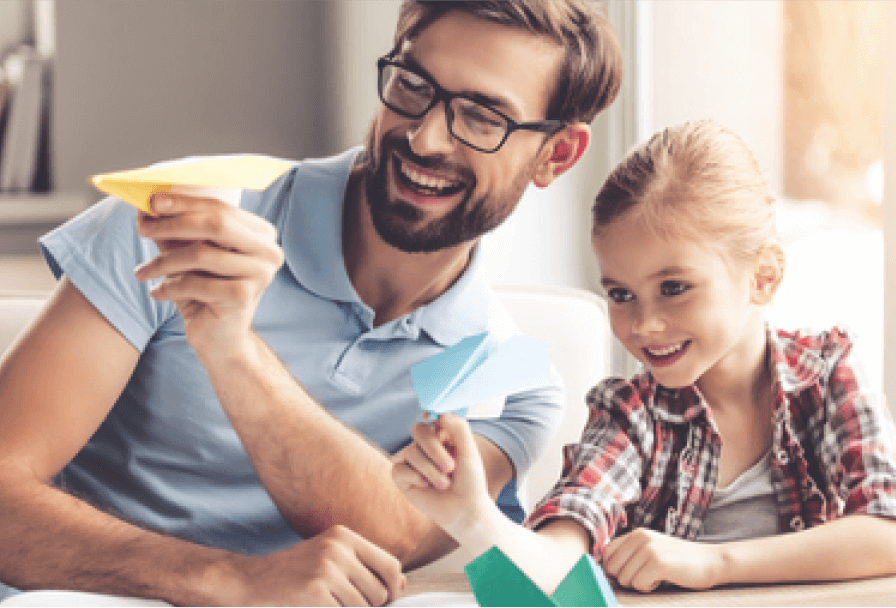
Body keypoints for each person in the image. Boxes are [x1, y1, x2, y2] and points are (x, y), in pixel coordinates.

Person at [0, 2, 622, 606]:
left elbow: (398, 532)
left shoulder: (509, 375)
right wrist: (232, 580)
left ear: (556, 154)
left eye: (483, 117)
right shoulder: (182, 220)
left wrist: (234, 350)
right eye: (411, 84)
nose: (426, 137)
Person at [392, 120, 896, 595]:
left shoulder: (828, 374)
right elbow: (561, 556)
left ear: (762, 276)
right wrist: (473, 516)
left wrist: (712, 562)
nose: (643, 325)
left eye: (674, 287)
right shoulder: (631, 416)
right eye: (621, 294)